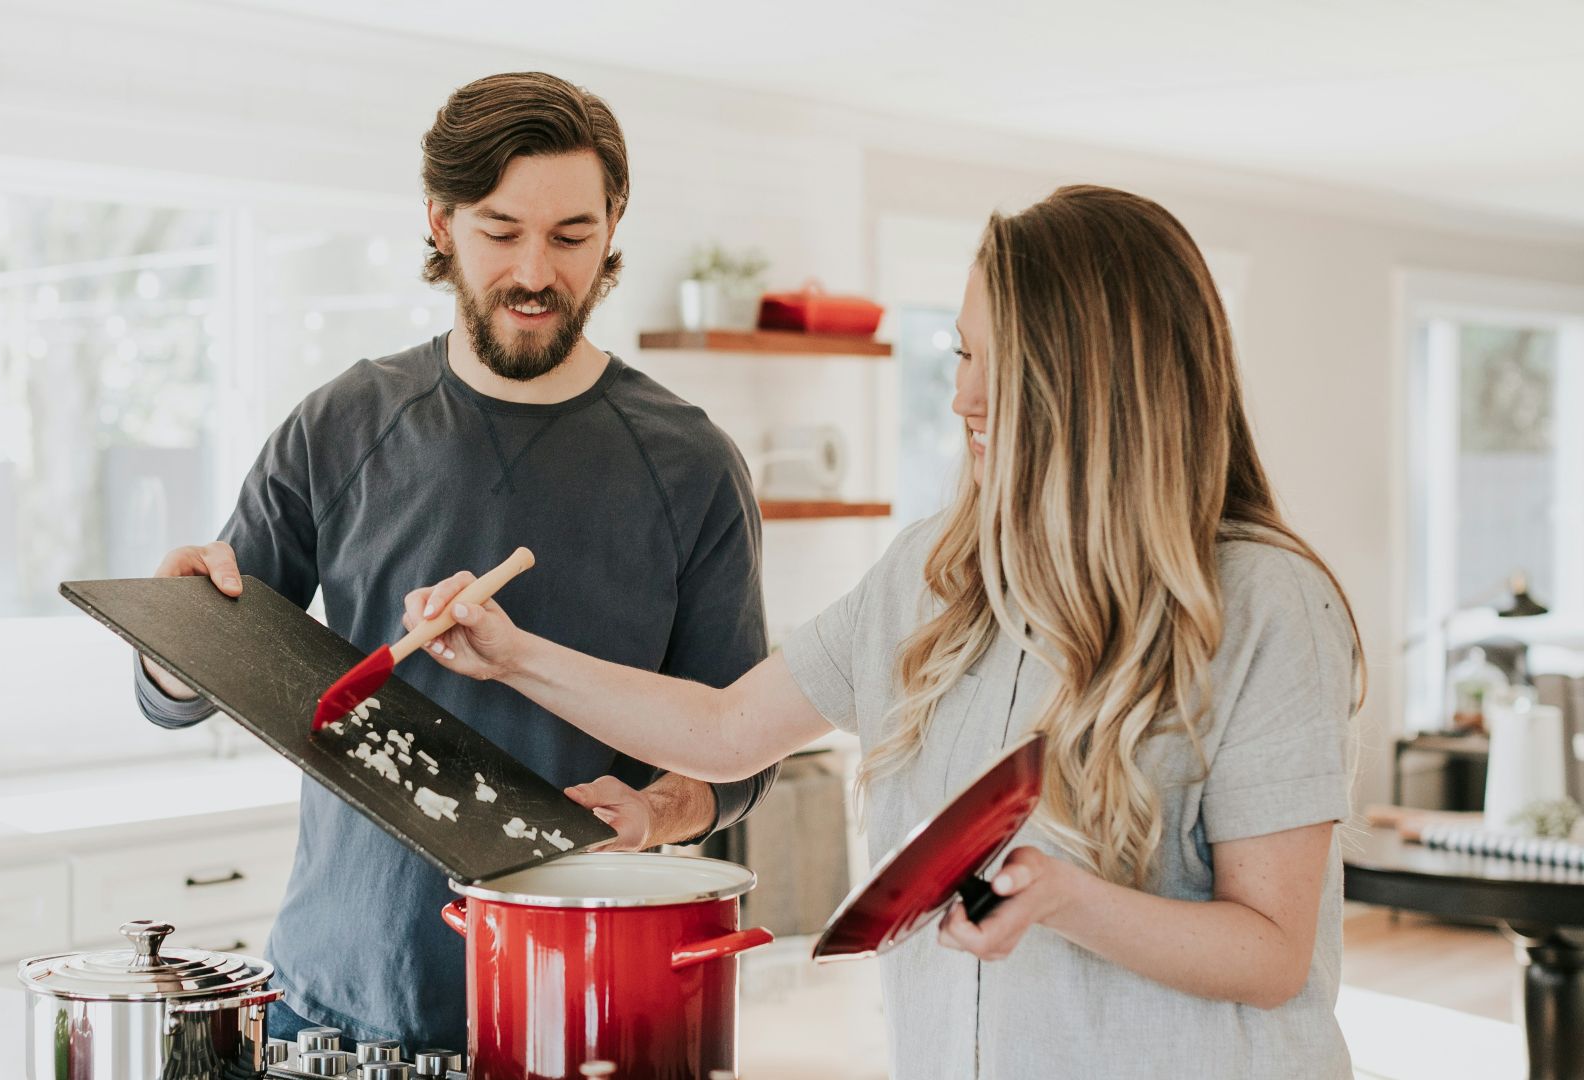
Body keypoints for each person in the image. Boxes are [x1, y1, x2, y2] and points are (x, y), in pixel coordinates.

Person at [406, 185, 1365, 1078]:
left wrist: (1068, 899)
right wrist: (513, 655)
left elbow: (1274, 952)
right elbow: (729, 730)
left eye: (999, 363)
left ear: (1101, 384)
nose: (963, 399)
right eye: (961, 353)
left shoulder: (1264, 603)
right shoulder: (930, 575)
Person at [133, 71, 775, 1051]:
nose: (535, 271)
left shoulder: (690, 466)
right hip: (330, 1005)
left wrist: (655, 811)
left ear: (611, 229)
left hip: (578, 1008)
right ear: (440, 221)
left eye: (570, 236)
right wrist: (170, 641)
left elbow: (740, 754)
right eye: (501, 230)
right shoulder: (341, 423)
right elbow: (195, 675)